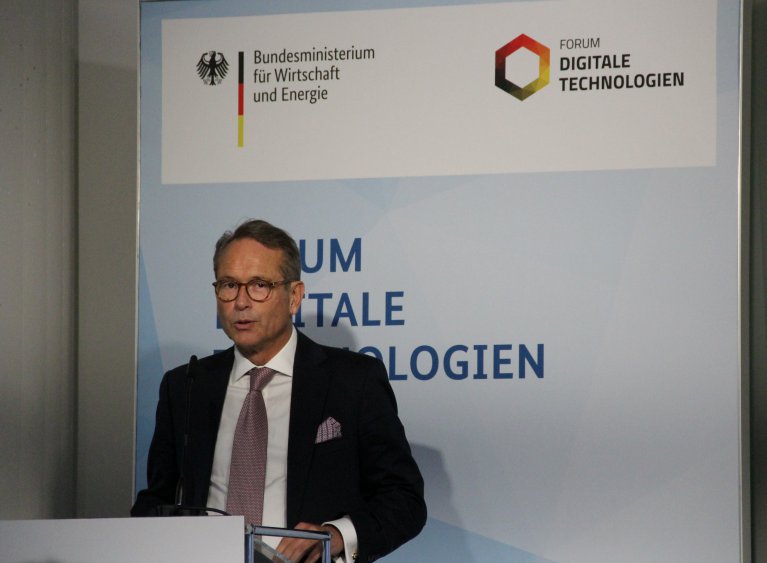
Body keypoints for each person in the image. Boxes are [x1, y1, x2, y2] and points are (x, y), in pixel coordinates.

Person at [131, 219, 426, 562]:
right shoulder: (185, 386)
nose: (241, 302)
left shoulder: (352, 382)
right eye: (229, 285)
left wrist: (336, 536)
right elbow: (157, 501)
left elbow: (404, 499)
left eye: (259, 285)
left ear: (294, 296)